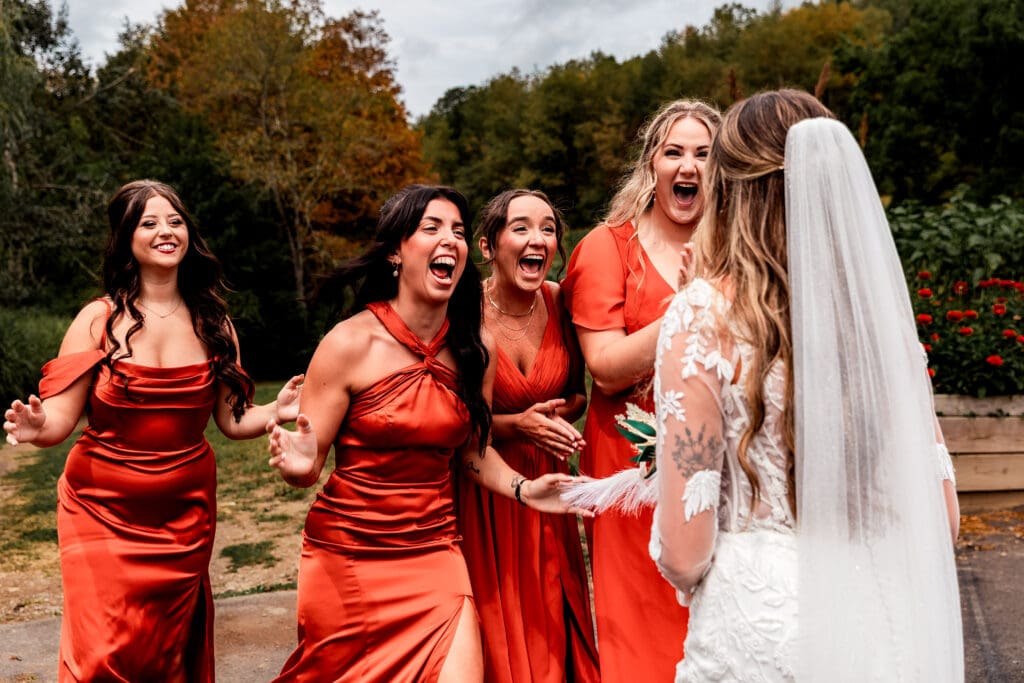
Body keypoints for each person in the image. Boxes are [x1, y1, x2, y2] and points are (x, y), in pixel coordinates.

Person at [648, 89, 963, 680]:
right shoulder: (879, 324)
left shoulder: (702, 315)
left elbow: (685, 554)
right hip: (877, 623)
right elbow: (942, 520)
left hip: (760, 634)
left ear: (735, 192)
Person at [265, 184, 590, 682]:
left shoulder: (474, 346)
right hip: (350, 555)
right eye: (432, 228)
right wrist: (298, 464)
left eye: (458, 231)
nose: (450, 241)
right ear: (397, 250)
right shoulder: (347, 343)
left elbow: (471, 451)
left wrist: (526, 490)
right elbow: (309, 467)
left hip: (435, 550)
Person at [2, 179, 304, 682]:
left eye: (175, 220)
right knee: (104, 652)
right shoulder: (98, 320)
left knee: (164, 653)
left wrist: (275, 408)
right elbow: (59, 419)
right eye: (149, 222)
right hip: (100, 509)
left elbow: (231, 420)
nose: (166, 231)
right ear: (127, 239)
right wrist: (37, 426)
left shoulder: (214, 322)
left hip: (183, 517)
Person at [560, 98, 721, 680]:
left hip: (719, 466)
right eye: (674, 152)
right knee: (645, 627)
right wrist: (693, 303)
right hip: (632, 469)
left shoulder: (736, 247)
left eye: (704, 154)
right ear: (650, 166)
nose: (689, 166)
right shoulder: (607, 249)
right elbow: (604, 367)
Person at [457, 189, 599, 682]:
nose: (537, 238)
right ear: (487, 246)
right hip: (486, 486)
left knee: (552, 622)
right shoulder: (463, 312)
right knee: (500, 626)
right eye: (520, 227)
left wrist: (558, 417)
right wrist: (519, 425)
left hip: (549, 481)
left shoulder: (560, 301)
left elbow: (578, 393)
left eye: (547, 228)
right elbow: (449, 420)